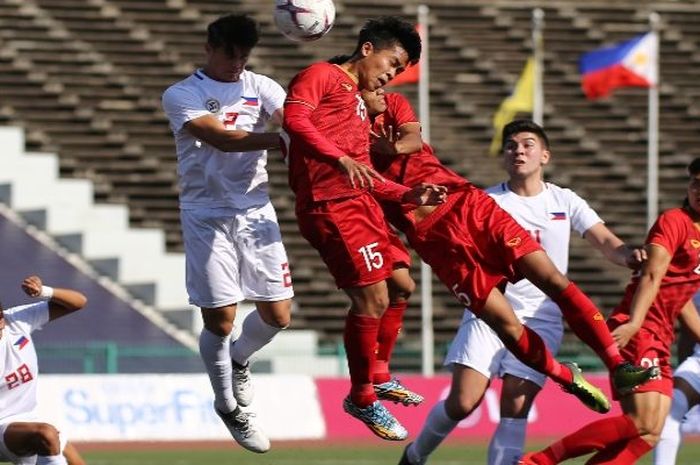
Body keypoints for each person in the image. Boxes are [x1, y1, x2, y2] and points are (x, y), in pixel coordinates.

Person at [358, 90, 656, 456]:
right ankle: (415, 455)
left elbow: (606, 241)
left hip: (542, 317)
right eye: (511, 145)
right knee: (463, 402)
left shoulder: (564, 200)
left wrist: (628, 255)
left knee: (516, 405)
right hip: (489, 313)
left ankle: (613, 366)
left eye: (528, 144)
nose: (519, 150)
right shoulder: (489, 200)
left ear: (545, 155)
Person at [283, 16, 447, 441]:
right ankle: (361, 397)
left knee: (401, 284)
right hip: (330, 203)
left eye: (402, 70)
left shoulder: (360, 101)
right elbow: (295, 121)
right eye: (393, 62)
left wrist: (408, 195)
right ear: (369, 49)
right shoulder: (321, 74)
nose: (393, 75)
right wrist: (339, 159)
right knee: (372, 296)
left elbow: (363, 170)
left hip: (362, 203)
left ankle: (379, 373)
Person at [161, 14, 294, 453]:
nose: (238, 62)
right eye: (230, 53)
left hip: (256, 210)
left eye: (244, 54)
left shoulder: (261, 86)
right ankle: (227, 405)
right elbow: (221, 138)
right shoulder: (182, 94)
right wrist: (282, 142)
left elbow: (292, 118)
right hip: (206, 214)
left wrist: (299, 130)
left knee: (278, 316)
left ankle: (239, 360)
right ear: (209, 48)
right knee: (220, 319)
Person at [520, 157, 700, 465]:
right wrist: (633, 324)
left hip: (659, 334)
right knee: (643, 420)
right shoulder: (674, 221)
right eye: (695, 181)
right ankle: (539, 461)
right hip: (640, 328)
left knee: (651, 432)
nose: (698, 189)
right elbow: (652, 275)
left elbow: (679, 295)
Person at [0, 275, 87, 465]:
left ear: (1, 321)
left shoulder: (16, 320)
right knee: (46, 433)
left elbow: (79, 301)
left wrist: (43, 292)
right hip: (3, 426)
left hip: (28, 418)